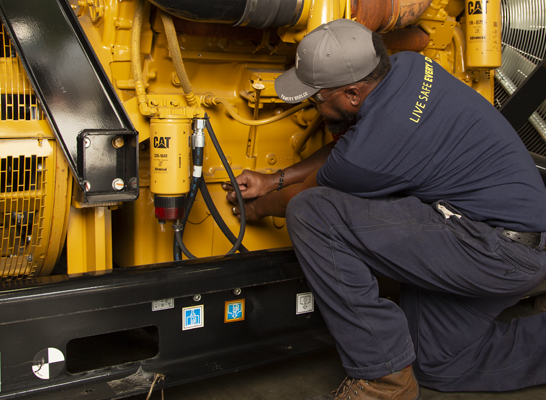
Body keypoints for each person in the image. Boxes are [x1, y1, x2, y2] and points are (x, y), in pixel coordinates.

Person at [223, 19, 546, 400]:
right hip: (516, 241)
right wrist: (275, 177)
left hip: (490, 250)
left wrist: (259, 207)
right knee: (437, 363)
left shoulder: (368, 154)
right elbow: (353, 149)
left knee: (313, 213)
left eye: (317, 97)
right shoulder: (408, 65)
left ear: (354, 94)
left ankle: (383, 380)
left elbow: (308, 193)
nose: (315, 104)